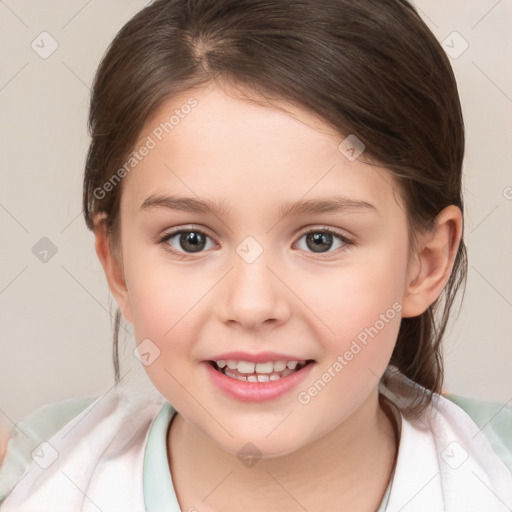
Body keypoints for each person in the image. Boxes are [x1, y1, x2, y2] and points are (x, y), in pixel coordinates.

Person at [1, 0, 511, 510]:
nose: (251, 305)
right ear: (117, 265)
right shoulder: (27, 477)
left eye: (320, 240)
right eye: (191, 239)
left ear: (425, 263)